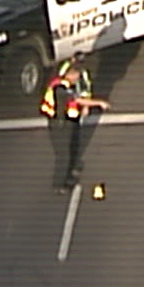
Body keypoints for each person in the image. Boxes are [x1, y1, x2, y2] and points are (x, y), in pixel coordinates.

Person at [39, 54, 111, 193]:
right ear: (70, 74)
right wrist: (99, 103)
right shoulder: (60, 88)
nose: (78, 77)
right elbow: (77, 100)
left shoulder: (65, 84)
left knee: (72, 148)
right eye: (76, 74)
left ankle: (68, 174)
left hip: (69, 120)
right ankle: (59, 184)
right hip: (60, 124)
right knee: (63, 155)